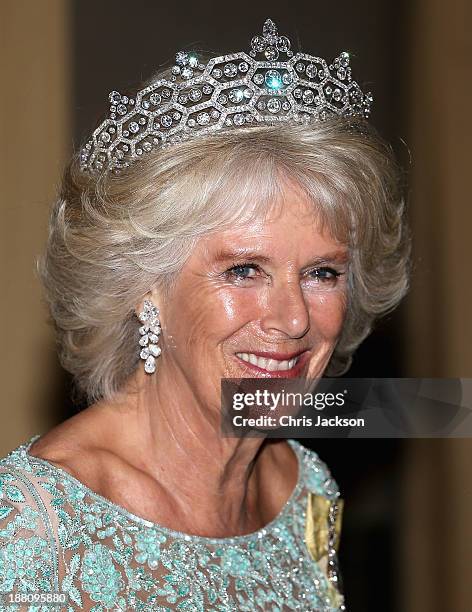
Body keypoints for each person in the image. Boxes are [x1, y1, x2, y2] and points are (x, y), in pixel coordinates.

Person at [0, 18, 410, 611]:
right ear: (145, 286)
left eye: (322, 273)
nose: (293, 319)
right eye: (244, 270)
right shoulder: (34, 530)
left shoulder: (304, 489)